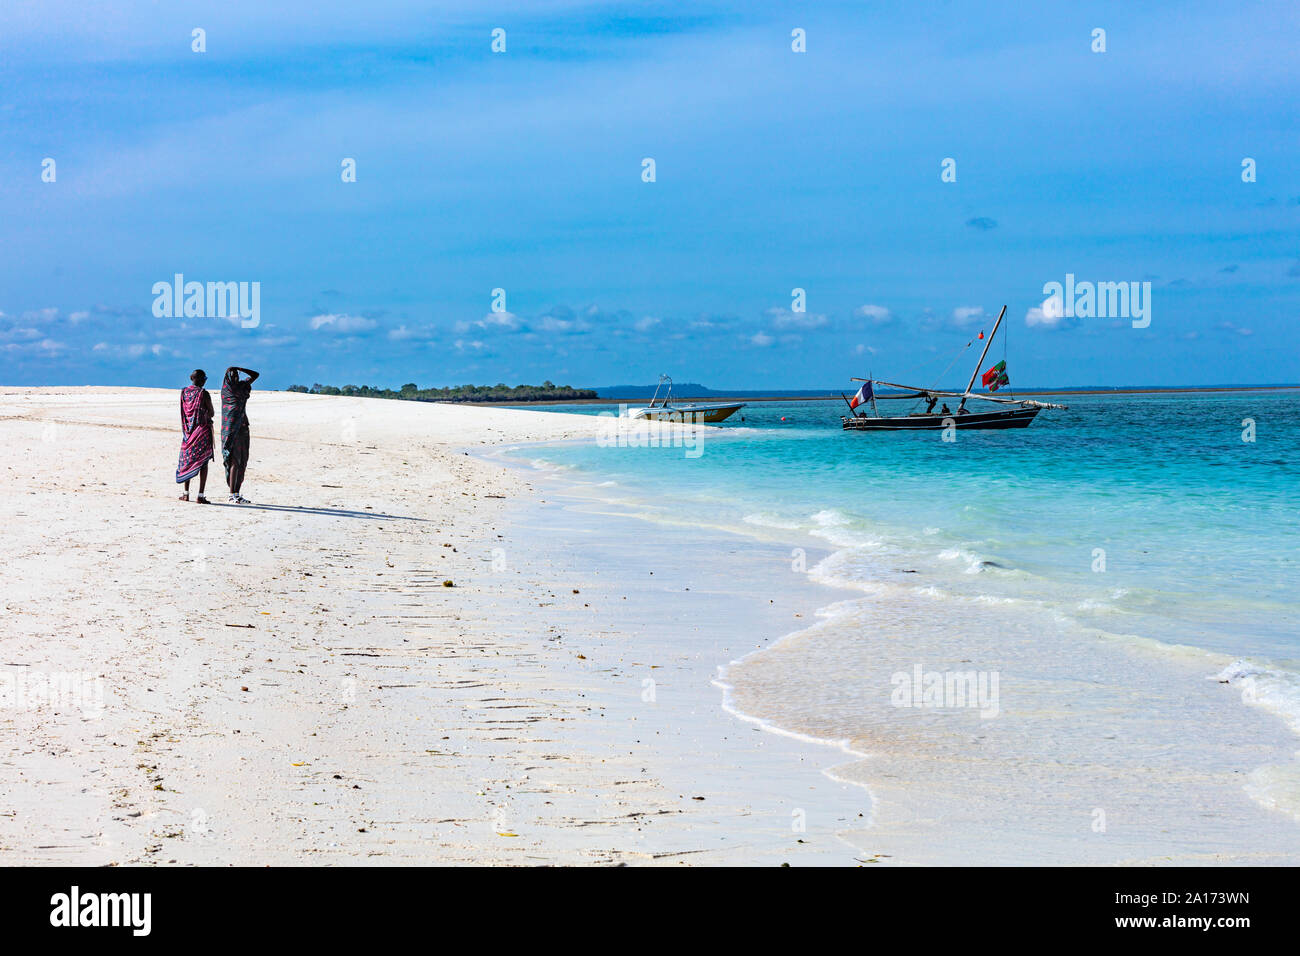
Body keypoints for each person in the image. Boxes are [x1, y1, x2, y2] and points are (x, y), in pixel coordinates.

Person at [221, 366, 259, 503]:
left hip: (243, 426)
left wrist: (239, 368)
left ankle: (237, 493)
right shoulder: (227, 391)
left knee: (242, 460)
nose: (236, 377)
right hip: (231, 430)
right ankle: (232, 494)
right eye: (233, 375)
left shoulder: (242, 386)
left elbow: (255, 374)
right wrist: (234, 370)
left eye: (237, 375)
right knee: (234, 461)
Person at [176, 369, 214, 502]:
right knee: (203, 462)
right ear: (201, 379)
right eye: (204, 378)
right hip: (202, 431)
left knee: (188, 461)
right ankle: (200, 495)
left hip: (188, 432)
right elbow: (212, 412)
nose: (205, 381)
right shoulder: (203, 394)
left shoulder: (184, 393)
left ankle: (186, 493)